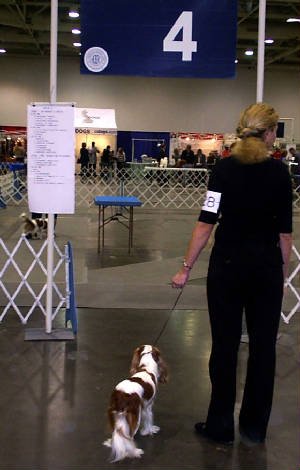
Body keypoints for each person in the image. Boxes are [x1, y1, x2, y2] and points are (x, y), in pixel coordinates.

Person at [171, 102, 293, 445]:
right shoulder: (280, 174)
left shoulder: (223, 170)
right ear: (269, 133)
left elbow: (206, 222)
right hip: (266, 270)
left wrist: (186, 267)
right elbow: (285, 234)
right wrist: (282, 276)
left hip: (226, 268)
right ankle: (254, 428)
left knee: (224, 347)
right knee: (262, 349)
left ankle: (220, 425)